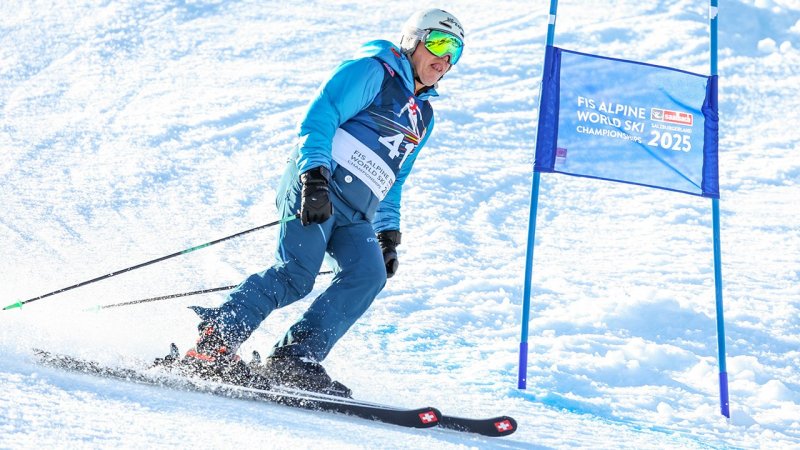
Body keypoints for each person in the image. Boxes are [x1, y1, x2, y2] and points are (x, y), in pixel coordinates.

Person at [182, 8, 465, 397]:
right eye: (439, 43)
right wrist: (314, 176)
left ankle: (295, 359)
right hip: (320, 187)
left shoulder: (424, 115)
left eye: (455, 52)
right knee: (296, 274)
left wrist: (388, 234)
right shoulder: (374, 71)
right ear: (412, 40)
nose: (445, 59)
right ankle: (216, 341)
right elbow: (320, 116)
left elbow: (396, 176)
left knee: (368, 275)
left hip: (357, 214)